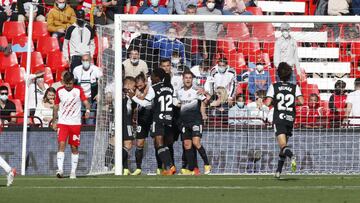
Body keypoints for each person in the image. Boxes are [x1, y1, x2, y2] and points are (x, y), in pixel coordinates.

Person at [264, 62, 304, 179]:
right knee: (283, 146)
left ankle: (291, 156)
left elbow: (267, 103)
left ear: (278, 74)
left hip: (279, 118)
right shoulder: (295, 87)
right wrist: (292, 103)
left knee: (282, 145)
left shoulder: (274, 86)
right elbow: (301, 101)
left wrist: (265, 101)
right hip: (290, 118)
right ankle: (278, 171)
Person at [52, 72, 91, 179]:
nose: (68, 86)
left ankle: (73, 172)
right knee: (61, 144)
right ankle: (60, 170)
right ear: (63, 82)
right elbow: (55, 106)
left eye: (70, 83)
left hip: (75, 123)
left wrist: (87, 110)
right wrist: (54, 121)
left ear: (73, 82)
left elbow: (86, 102)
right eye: (66, 84)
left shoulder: (78, 90)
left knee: (74, 147)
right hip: (63, 123)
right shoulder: (60, 91)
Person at [175, 70, 211, 175]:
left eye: (190, 78)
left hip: (196, 121)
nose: (188, 80)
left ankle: (207, 164)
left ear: (192, 80)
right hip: (184, 123)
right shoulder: (179, 92)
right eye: (186, 78)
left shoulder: (196, 91)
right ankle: (192, 169)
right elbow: (178, 105)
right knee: (187, 145)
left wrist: (206, 93)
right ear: (183, 79)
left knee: (196, 143)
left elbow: (207, 100)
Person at [150, 68, 176, 175]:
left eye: (152, 76)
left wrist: (135, 98)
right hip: (168, 118)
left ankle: (170, 166)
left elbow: (148, 103)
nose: (150, 78)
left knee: (159, 144)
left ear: (157, 77)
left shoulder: (154, 88)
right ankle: (169, 167)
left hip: (158, 118)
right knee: (163, 144)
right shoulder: (170, 87)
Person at [129, 73, 155, 175]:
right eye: (137, 86)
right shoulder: (136, 90)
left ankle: (161, 168)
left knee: (157, 143)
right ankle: (138, 168)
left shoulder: (151, 90)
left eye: (141, 85)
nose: (139, 87)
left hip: (151, 119)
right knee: (139, 143)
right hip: (141, 119)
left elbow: (145, 103)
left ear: (145, 82)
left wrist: (134, 97)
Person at [73, 53, 103, 125]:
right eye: (83, 60)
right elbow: (73, 83)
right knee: (77, 120)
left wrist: (99, 93)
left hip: (91, 98)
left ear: (90, 61)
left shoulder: (96, 70)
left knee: (90, 121)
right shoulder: (76, 70)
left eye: (87, 60)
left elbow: (103, 83)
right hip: (79, 98)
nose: (85, 62)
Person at [197, 0, 223, 65]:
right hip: (201, 38)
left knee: (210, 59)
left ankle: (208, 71)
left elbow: (220, 24)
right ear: (206, 2)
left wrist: (216, 33)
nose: (211, 3)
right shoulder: (199, 11)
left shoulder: (218, 12)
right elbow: (197, 23)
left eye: (213, 2)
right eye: (209, 1)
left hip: (212, 38)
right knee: (201, 58)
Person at [120, 76, 137, 175]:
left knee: (122, 145)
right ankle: (115, 163)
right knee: (128, 145)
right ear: (129, 85)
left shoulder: (120, 93)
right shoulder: (128, 94)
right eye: (134, 86)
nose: (135, 88)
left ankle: (125, 168)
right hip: (126, 122)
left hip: (121, 121)